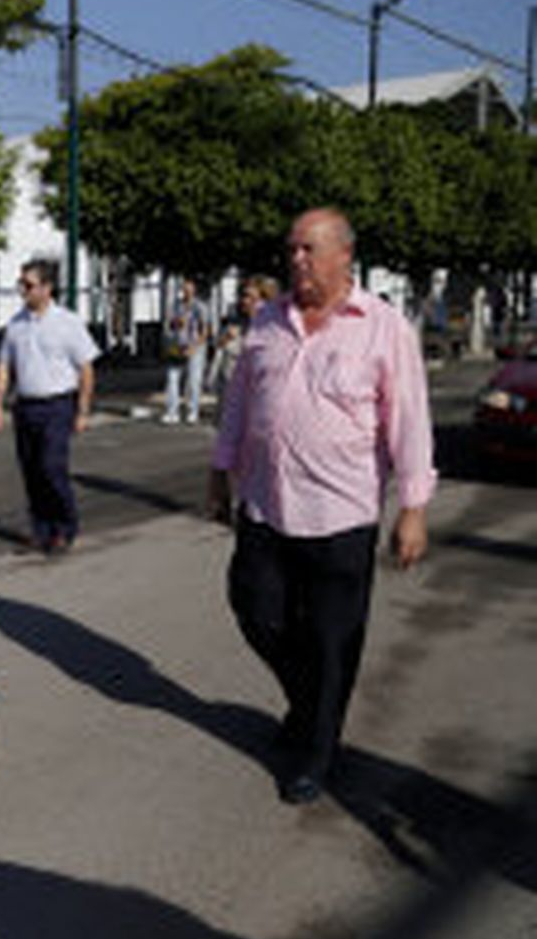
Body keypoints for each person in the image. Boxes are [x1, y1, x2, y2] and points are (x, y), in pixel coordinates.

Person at [208, 208, 435, 806]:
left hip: (340, 515)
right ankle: (310, 706)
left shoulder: (384, 328)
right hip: (265, 505)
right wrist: (219, 471)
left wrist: (413, 506)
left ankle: (318, 750)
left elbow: (408, 420)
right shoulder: (267, 319)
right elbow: (239, 399)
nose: (297, 260)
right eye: (292, 250)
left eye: (309, 249)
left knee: (333, 640)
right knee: (256, 610)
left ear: (344, 256)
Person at [0, 259, 99, 557]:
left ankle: (64, 527)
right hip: (25, 406)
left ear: (47, 288)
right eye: (21, 284)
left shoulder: (67, 323)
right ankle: (41, 530)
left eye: (29, 284)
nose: (22, 290)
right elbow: (3, 367)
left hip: (58, 405)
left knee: (52, 468)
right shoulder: (15, 325)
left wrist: (83, 411)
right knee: (32, 471)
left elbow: (86, 368)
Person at [206, 274, 279, 402]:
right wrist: (224, 340)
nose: (244, 301)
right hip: (230, 393)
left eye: (251, 297)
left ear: (264, 300)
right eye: (243, 296)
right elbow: (219, 355)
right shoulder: (234, 324)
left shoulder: (272, 329)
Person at [162, 276, 210, 425]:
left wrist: (195, 346)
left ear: (194, 289)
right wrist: (176, 323)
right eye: (184, 288)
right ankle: (172, 411)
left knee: (194, 380)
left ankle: (192, 411)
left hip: (195, 347)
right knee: (172, 378)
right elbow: (169, 325)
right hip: (177, 346)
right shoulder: (176, 306)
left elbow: (206, 329)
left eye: (189, 288)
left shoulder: (200, 306)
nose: (186, 291)